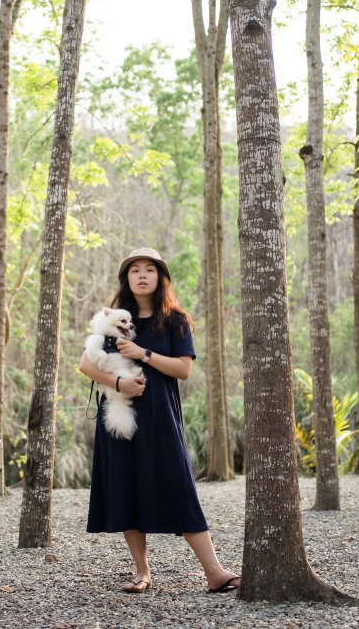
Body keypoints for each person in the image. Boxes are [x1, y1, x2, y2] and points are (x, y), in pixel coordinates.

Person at [78, 247, 241, 595]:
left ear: (160, 277)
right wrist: (119, 382)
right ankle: (142, 572)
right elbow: (86, 364)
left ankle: (214, 572)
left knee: (180, 486)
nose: (141, 275)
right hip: (121, 418)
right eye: (134, 270)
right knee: (127, 487)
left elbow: (183, 369)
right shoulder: (114, 321)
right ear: (127, 279)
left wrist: (143, 354)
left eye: (149, 269)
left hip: (162, 419)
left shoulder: (175, 320)